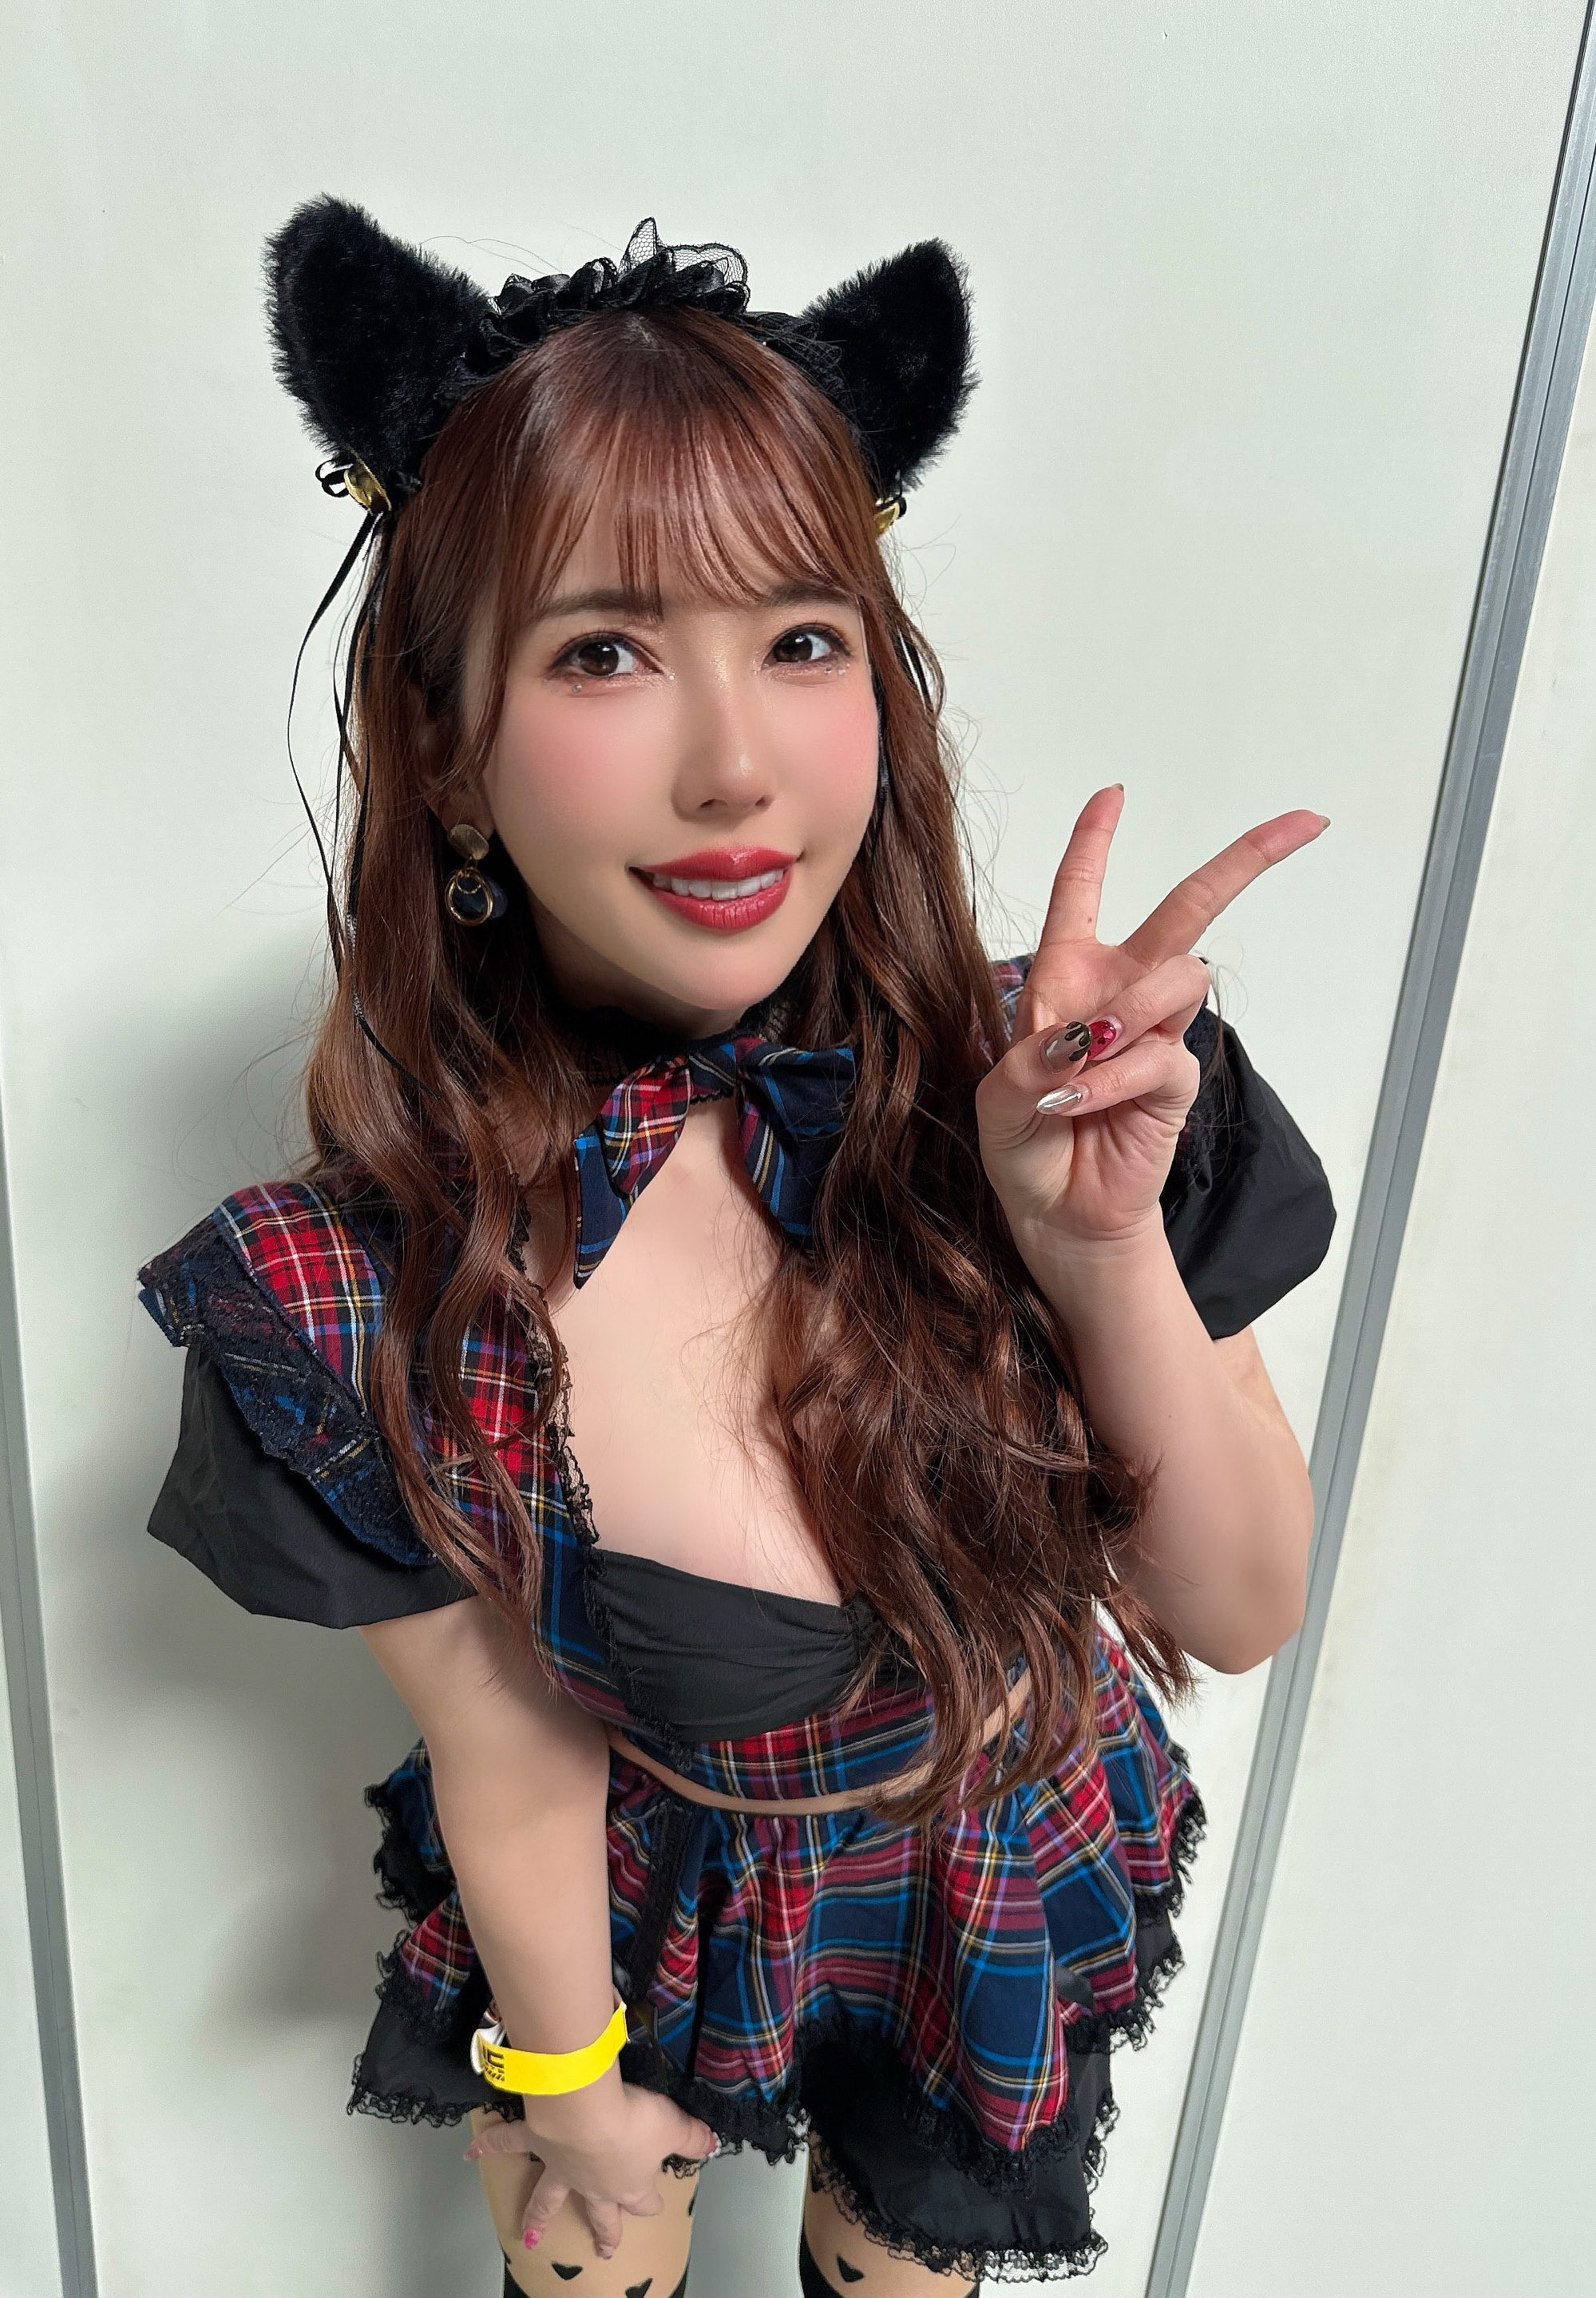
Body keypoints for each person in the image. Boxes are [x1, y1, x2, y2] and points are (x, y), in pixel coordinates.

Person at [136, 201, 1337, 2296]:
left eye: (802, 640)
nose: (737, 769)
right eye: (604, 651)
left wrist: (1093, 1249)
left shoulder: (1069, 1088)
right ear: (450, 749)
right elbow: (512, 1753)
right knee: (591, 2250)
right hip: (629, 1912)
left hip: (986, 1877)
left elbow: (1235, 1613)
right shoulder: (362, 1293)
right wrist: (567, 2070)